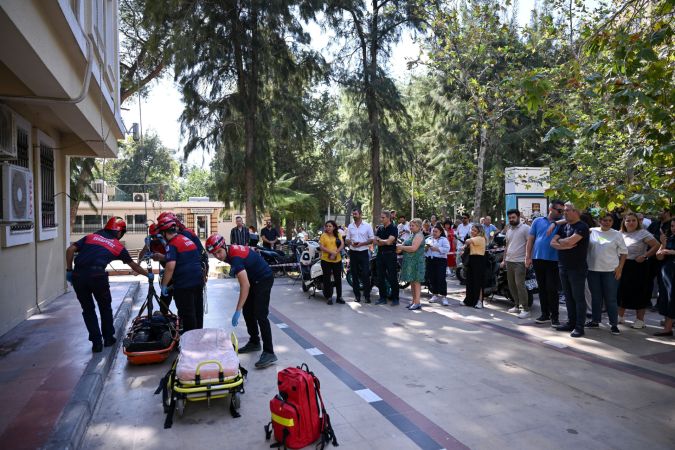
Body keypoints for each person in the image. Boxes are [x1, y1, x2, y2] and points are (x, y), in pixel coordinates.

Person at [66, 217, 151, 352]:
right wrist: (148, 275)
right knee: (105, 307)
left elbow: (70, 250)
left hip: (79, 276)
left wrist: (69, 271)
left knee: (88, 310)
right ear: (119, 232)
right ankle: (108, 338)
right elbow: (134, 265)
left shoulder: (90, 237)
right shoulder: (118, 247)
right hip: (97, 277)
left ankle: (96, 343)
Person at [206, 234, 277, 368]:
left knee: (260, 314)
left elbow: (245, 285)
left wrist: (237, 310)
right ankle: (255, 341)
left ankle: (269, 352)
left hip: (263, 279)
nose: (218, 256)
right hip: (254, 279)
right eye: (214, 254)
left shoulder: (235, 257)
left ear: (224, 246)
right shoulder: (230, 252)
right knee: (248, 311)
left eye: (219, 252)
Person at [157, 215, 205, 332]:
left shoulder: (172, 244)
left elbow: (170, 267)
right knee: (197, 311)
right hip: (198, 281)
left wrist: (164, 285)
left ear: (163, 232)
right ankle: (198, 335)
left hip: (184, 285)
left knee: (187, 314)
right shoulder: (186, 239)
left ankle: (190, 341)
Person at [551, 202, 590, 338]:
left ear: (576, 212)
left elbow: (568, 242)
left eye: (567, 210)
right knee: (568, 297)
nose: (564, 213)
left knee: (578, 298)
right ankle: (571, 323)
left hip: (577, 268)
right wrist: (564, 245)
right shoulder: (564, 226)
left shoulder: (582, 227)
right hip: (563, 266)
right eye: (564, 211)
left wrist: (562, 243)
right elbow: (552, 242)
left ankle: (580, 327)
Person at [586, 212, 628, 335]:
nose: (607, 222)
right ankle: (595, 321)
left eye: (609, 220)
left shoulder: (617, 234)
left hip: (610, 271)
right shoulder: (591, 231)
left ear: (612, 222)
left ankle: (613, 324)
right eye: (604, 220)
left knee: (611, 299)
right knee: (596, 298)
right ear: (599, 221)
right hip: (593, 270)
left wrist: (620, 268)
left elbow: (624, 253)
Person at [526, 200, 564, 327]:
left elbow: (571, 220)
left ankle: (555, 317)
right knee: (542, 288)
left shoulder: (562, 222)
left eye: (563, 211)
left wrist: (555, 223)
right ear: (550, 209)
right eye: (559, 210)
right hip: (538, 258)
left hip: (554, 259)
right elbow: (531, 239)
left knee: (552, 289)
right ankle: (544, 314)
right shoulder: (538, 221)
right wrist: (528, 257)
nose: (561, 213)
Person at [618, 212, 660, 328]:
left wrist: (645, 256)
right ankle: (620, 317)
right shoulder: (620, 233)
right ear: (624, 222)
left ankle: (640, 320)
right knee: (622, 291)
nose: (631, 223)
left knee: (639, 292)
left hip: (638, 266)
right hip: (623, 265)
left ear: (638, 222)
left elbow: (657, 245)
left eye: (633, 220)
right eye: (628, 220)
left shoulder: (643, 233)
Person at [502, 209, 532, 318]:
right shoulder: (509, 230)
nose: (511, 219)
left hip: (520, 262)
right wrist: (504, 260)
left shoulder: (526, 228)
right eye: (509, 218)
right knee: (512, 285)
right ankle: (516, 305)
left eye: (513, 217)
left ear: (518, 217)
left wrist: (528, 258)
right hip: (509, 261)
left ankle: (525, 309)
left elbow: (530, 244)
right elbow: (507, 246)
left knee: (520, 285)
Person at [138, 223, 172, 314]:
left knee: (180, 299)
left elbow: (172, 257)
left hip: (176, 271)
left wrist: (164, 243)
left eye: (157, 236)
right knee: (164, 301)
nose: (155, 239)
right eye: (153, 237)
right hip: (166, 272)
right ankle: (163, 317)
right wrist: (147, 246)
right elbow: (141, 256)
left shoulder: (169, 241)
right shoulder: (152, 243)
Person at [346, 207, 375, 303]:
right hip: (353, 253)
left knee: (366, 274)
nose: (354, 216)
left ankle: (367, 296)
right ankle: (357, 296)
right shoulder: (350, 226)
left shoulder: (367, 226)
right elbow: (347, 239)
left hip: (363, 252)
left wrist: (362, 243)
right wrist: (351, 242)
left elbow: (371, 239)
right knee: (354, 274)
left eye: (355, 214)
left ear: (360, 214)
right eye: (353, 214)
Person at [397, 218, 426, 310]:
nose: (411, 227)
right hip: (411, 262)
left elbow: (414, 248)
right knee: (413, 282)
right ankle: (414, 301)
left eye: (413, 225)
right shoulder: (412, 234)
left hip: (417, 262)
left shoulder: (419, 235)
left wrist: (401, 247)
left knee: (416, 282)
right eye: (410, 225)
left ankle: (417, 302)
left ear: (419, 226)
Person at [654, 218, 675, 336]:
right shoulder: (669, 238)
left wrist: (672, 252)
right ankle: (667, 328)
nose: (673, 228)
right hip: (667, 274)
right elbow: (659, 257)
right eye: (672, 226)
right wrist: (663, 245)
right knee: (668, 298)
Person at [374, 210, 400, 306]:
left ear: (388, 218)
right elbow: (375, 241)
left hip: (390, 255)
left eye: (383, 217)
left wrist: (381, 241)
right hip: (380, 255)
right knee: (380, 277)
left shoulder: (393, 228)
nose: (381, 219)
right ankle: (382, 298)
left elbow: (389, 242)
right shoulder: (380, 228)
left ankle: (395, 298)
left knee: (392, 277)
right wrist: (382, 241)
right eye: (381, 217)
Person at [319, 220, 345, 305]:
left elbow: (342, 244)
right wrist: (331, 252)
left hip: (337, 259)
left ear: (334, 227)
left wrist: (336, 252)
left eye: (330, 226)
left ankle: (339, 297)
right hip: (326, 260)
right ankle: (329, 297)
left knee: (338, 278)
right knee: (327, 279)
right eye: (327, 226)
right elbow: (321, 247)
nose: (328, 228)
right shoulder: (323, 235)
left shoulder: (338, 234)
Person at [463, 224, 487, 308]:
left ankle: (479, 301)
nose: (472, 231)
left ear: (479, 232)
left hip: (479, 260)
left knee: (478, 282)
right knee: (470, 281)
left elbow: (467, 241)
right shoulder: (474, 239)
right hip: (472, 260)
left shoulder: (480, 238)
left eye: (474, 230)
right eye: (472, 230)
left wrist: (466, 244)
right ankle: (469, 300)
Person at [427, 223, 451, 306]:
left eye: (436, 231)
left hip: (441, 261)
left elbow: (447, 249)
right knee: (432, 278)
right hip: (430, 260)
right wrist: (426, 248)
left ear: (440, 232)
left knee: (441, 278)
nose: (434, 233)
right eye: (433, 231)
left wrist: (437, 249)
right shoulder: (429, 239)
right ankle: (435, 294)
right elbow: (424, 250)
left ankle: (444, 296)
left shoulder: (443, 239)